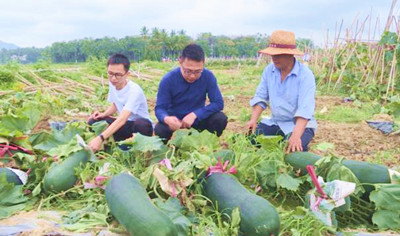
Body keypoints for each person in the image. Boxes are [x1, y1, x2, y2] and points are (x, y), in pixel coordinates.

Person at [247, 30, 317, 152]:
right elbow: (261, 97)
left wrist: (296, 136)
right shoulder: (269, 70)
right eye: (273, 54)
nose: (274, 58)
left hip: (299, 125)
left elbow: (305, 109)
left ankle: (297, 141)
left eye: (278, 55)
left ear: (290, 54)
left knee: (293, 149)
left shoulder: (305, 75)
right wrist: (253, 120)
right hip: (275, 122)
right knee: (251, 141)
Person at [155, 43, 227, 142]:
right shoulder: (168, 79)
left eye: (197, 72)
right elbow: (160, 108)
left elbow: (218, 103)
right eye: (188, 71)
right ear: (180, 62)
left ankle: (205, 145)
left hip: (197, 122)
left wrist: (195, 114)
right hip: (176, 125)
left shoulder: (208, 76)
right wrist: (167, 119)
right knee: (160, 129)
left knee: (220, 118)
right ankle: (173, 147)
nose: (192, 76)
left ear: (203, 63)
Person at [88, 53, 153, 152]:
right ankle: (119, 142)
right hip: (125, 125)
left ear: (127, 74)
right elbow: (115, 105)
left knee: (141, 124)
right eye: (110, 73)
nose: (113, 78)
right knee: (93, 121)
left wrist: (100, 138)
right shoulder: (113, 83)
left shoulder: (134, 90)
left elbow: (122, 118)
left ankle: (134, 148)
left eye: (118, 75)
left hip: (138, 127)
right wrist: (103, 115)